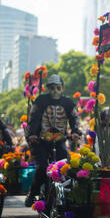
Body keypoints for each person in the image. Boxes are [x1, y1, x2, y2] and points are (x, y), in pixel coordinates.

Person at [24, 74, 81, 207]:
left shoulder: (68, 103)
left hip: (60, 140)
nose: (55, 91)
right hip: (41, 140)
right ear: (48, 89)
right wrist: (33, 134)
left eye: (58, 88)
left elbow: (75, 120)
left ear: (63, 88)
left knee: (65, 167)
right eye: (52, 88)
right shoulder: (40, 101)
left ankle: (66, 196)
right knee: (42, 167)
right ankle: (33, 193)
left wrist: (75, 132)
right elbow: (34, 119)